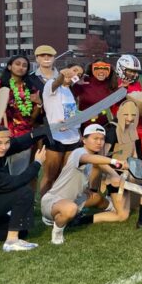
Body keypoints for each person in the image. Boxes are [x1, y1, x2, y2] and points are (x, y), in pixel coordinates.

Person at [41, 124, 142, 245]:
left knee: (101, 201)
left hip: (77, 199)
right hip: (53, 201)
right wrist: (115, 162)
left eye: (102, 139)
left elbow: (100, 163)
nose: (99, 142)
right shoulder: (79, 152)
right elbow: (90, 159)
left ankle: (98, 212)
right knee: (71, 208)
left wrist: (116, 176)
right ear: (84, 140)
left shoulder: (94, 156)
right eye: (95, 138)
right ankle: (57, 231)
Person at [98, 100, 142, 230]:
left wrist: (139, 171)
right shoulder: (112, 131)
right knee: (122, 216)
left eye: (133, 115)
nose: (130, 118)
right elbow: (100, 159)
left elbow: (134, 155)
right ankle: (82, 220)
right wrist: (113, 175)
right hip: (114, 176)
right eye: (126, 114)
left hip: (127, 174)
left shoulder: (131, 130)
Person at [0, 54, 39, 175]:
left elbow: (32, 119)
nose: (21, 67)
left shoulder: (30, 88)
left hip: (22, 138)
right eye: (17, 64)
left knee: (19, 173)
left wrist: (39, 104)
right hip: (0, 136)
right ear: (9, 66)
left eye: (25, 65)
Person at [40, 64, 85, 195]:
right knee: (50, 176)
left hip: (73, 138)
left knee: (64, 177)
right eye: (75, 70)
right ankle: (44, 208)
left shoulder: (71, 91)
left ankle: (59, 202)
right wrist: (63, 74)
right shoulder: (51, 84)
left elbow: (72, 115)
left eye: (79, 74)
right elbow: (57, 82)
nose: (75, 74)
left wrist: (79, 133)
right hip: (55, 138)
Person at [72, 61, 116, 128]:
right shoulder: (84, 82)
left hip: (104, 125)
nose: (101, 71)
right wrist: (76, 84)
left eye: (105, 69)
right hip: (85, 125)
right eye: (97, 68)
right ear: (92, 69)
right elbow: (70, 97)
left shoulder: (111, 84)